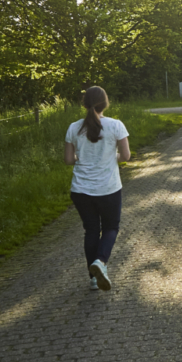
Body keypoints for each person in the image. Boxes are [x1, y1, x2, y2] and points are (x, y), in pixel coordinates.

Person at [64, 87, 130, 291]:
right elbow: (126, 156)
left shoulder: (73, 128)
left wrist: (82, 159)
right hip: (108, 188)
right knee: (110, 228)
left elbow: (68, 160)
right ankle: (100, 262)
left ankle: (93, 279)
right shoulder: (116, 125)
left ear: (85, 103)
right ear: (105, 103)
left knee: (91, 230)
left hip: (81, 190)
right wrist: (111, 158)